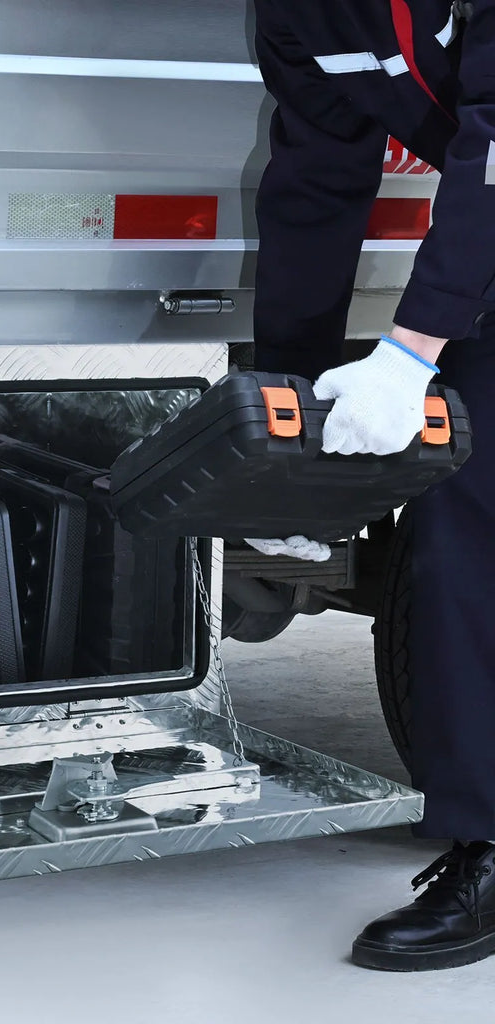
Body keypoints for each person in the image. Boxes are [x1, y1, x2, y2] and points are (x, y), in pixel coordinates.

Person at [251, 0, 495, 970]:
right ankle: (488, 838)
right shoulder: (297, 15)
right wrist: (294, 436)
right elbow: (314, 187)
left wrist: (409, 352)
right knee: (460, 505)